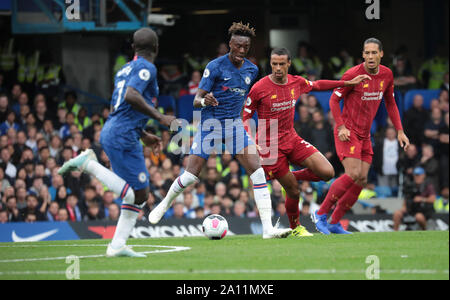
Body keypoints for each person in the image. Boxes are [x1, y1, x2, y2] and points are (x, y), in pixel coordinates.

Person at [148, 22, 291, 239]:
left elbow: (247, 99)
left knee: (258, 172)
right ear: (230, 45)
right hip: (210, 124)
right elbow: (196, 101)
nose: (242, 51)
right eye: (238, 46)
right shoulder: (214, 67)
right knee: (190, 176)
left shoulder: (251, 70)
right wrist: (205, 100)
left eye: (246, 47)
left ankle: (268, 229)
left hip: (234, 125)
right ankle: (164, 204)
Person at [58, 27, 175, 257]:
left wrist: (144, 135)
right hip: (121, 135)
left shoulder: (124, 69)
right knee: (138, 193)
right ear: (156, 47)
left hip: (120, 131)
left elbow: (118, 108)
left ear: (133, 47)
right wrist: (161, 118)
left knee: (139, 194)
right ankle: (88, 163)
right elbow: (131, 96)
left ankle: (117, 246)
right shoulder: (146, 67)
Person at [242, 47, 370, 236]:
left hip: (291, 138)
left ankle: (291, 176)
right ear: (270, 64)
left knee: (327, 172)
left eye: (281, 64)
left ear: (288, 64)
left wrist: (347, 82)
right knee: (293, 191)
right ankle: (296, 228)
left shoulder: (297, 82)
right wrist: (251, 140)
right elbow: (245, 117)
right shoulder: (259, 88)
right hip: (270, 147)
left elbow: (318, 85)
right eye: (274, 64)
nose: (277, 68)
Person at [313, 38, 410, 234]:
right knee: (353, 174)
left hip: (365, 135)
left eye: (374, 52)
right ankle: (321, 214)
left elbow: (390, 103)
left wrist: (400, 130)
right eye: (367, 53)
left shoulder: (387, 74)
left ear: (381, 54)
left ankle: (334, 222)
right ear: (363, 55)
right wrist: (340, 127)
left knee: (362, 180)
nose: (371, 56)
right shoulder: (353, 74)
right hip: (347, 132)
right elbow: (333, 101)